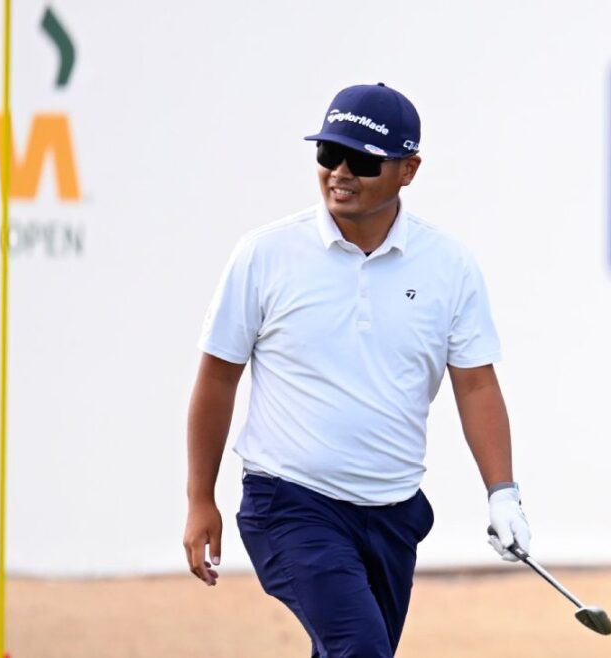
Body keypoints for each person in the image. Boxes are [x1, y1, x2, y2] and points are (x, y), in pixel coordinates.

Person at [182, 82, 532, 657]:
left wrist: (503, 494)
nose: (339, 172)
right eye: (328, 153)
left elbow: (475, 385)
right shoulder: (265, 254)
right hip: (290, 503)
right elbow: (218, 378)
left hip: (393, 514)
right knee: (361, 651)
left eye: (363, 161)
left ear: (408, 170)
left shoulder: (449, 265)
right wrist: (201, 497)